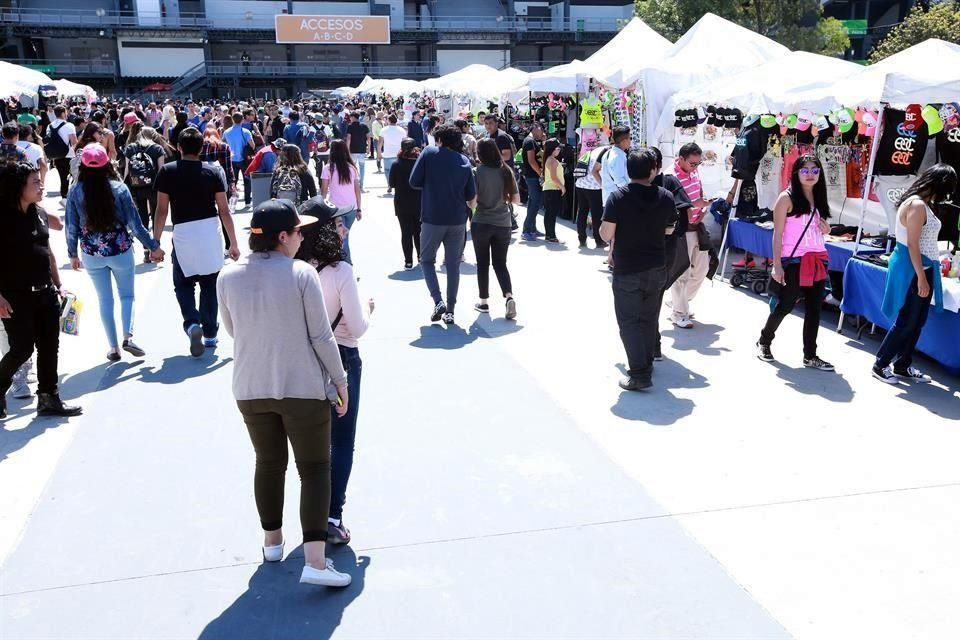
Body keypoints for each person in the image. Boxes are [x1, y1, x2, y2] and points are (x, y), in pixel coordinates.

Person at [217, 199, 351, 588]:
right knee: (314, 469)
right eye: (297, 231)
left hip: (250, 385)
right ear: (282, 237)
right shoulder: (301, 274)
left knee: (268, 462)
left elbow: (232, 329)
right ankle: (315, 560)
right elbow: (321, 336)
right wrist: (339, 381)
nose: (301, 236)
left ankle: (272, 542)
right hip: (302, 386)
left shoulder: (227, 277)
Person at [295, 197, 373, 546]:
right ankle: (332, 515)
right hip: (342, 359)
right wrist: (369, 308)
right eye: (337, 224)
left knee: (314, 446)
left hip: (303, 362)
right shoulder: (339, 272)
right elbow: (356, 327)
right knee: (342, 442)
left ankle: (310, 516)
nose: (343, 229)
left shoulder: (294, 270)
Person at [65, 144, 162, 361]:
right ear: (107, 164)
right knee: (127, 295)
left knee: (104, 300)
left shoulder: (75, 191)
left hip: (91, 254)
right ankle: (127, 335)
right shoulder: (119, 189)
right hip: (120, 250)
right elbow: (135, 225)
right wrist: (153, 247)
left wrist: (72, 253)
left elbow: (71, 226)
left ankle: (113, 347)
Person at [0, 162, 82, 419]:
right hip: (15, 296)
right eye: (34, 181)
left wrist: (59, 285)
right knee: (22, 348)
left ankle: (49, 397)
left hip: (45, 292)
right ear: (18, 187)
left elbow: (47, 254)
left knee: (50, 345)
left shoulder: (39, 213)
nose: (41, 184)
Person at [153, 127, 240, 357]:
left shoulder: (167, 172)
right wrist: (233, 242)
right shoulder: (212, 172)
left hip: (183, 233)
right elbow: (224, 210)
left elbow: (161, 210)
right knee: (210, 284)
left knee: (183, 283)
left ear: (179, 147)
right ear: (202, 149)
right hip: (210, 232)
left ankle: (192, 323)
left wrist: (155, 242)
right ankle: (210, 333)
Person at [599, 149, 678, 392]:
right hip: (656, 265)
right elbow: (669, 230)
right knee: (648, 317)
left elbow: (605, 234)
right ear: (653, 170)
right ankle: (645, 362)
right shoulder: (665, 196)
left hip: (628, 268)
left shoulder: (617, 197)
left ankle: (640, 373)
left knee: (629, 321)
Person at [873, 164, 957, 384]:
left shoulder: (921, 203)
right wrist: (920, 276)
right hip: (913, 267)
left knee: (917, 321)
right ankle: (881, 364)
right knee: (907, 321)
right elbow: (912, 243)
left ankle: (903, 364)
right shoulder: (917, 205)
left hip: (923, 267)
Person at [756, 155, 834, 371]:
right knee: (786, 305)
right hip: (796, 261)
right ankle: (764, 341)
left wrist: (826, 228)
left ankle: (810, 355)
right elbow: (777, 234)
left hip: (817, 258)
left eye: (815, 170)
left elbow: (815, 226)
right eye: (805, 170)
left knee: (814, 309)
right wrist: (777, 264)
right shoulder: (786, 198)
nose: (810, 174)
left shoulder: (818, 198)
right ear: (796, 172)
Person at [409, 124, 477, 325]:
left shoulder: (429, 153)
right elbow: (470, 195)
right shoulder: (464, 160)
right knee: (453, 264)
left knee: (427, 260)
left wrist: (432, 184)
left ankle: (438, 301)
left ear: (439, 139)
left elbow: (414, 180)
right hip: (457, 220)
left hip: (432, 217)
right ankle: (451, 310)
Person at [472, 138, 518, 319]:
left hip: (482, 221)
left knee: (482, 263)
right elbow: (516, 199)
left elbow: (472, 201)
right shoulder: (506, 170)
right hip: (503, 222)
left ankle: (483, 302)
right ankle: (509, 296)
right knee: (500, 263)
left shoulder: (477, 172)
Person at [669, 143, 713, 329]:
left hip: (697, 227)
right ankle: (679, 312)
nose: (695, 167)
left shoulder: (694, 172)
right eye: (692, 164)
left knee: (702, 270)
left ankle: (680, 303)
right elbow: (672, 204)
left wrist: (703, 207)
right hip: (681, 231)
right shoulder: (670, 177)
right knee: (682, 273)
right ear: (680, 158)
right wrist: (696, 205)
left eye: (698, 164)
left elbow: (699, 191)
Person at [123, 126, 167, 262]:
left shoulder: (130, 148)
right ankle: (156, 246)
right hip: (154, 187)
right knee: (155, 216)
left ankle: (146, 250)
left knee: (141, 219)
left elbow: (126, 170)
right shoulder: (157, 149)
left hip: (136, 187)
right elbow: (161, 171)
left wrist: (125, 186)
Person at [320, 139, 361, 261]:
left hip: (336, 209)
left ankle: (344, 263)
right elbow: (357, 191)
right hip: (352, 208)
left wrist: (322, 208)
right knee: (345, 237)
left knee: (340, 237)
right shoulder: (352, 168)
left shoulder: (328, 168)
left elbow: (323, 191)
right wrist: (359, 208)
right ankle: (346, 263)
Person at [388, 138, 422, 269]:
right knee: (418, 231)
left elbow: (392, 183)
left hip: (402, 202)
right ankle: (421, 256)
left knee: (406, 232)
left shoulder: (396, 164)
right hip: (419, 202)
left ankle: (408, 260)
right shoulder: (419, 163)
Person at [574, 145, 607, 249]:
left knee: (582, 211)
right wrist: (603, 185)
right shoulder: (607, 152)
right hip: (594, 186)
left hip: (580, 183)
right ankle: (598, 240)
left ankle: (582, 239)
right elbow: (596, 170)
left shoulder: (595, 150)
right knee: (596, 214)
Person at [520, 122, 546, 241]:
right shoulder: (529, 141)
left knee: (533, 202)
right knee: (535, 203)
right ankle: (526, 230)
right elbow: (531, 161)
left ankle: (532, 228)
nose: (543, 133)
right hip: (532, 176)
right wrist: (540, 174)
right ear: (537, 128)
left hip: (532, 175)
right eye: (542, 130)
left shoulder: (532, 141)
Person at [47, 105, 78, 203]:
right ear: (64, 113)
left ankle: (64, 197)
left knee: (63, 177)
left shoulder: (50, 125)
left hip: (57, 156)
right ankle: (74, 196)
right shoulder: (69, 125)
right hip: (69, 155)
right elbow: (74, 142)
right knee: (75, 177)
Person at [224, 113, 254, 209]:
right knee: (247, 180)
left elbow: (223, 143)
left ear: (233, 120)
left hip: (232, 159)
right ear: (242, 120)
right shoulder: (245, 131)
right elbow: (252, 145)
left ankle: (230, 200)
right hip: (244, 159)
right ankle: (247, 201)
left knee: (233, 181)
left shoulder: (226, 132)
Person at [541, 137, 565, 244]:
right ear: (553, 149)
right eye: (558, 148)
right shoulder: (551, 160)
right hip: (552, 189)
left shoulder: (550, 160)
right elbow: (554, 177)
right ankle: (551, 236)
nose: (559, 150)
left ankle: (549, 235)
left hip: (550, 189)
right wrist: (562, 187)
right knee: (551, 214)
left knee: (549, 214)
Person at [600, 125, 631, 207]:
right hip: (617, 201)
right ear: (623, 140)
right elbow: (619, 181)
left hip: (610, 199)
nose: (630, 141)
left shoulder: (609, 153)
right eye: (629, 138)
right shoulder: (617, 157)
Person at [379, 114, 405, 194]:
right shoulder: (402, 130)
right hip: (399, 153)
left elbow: (380, 142)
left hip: (387, 153)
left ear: (389, 120)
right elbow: (404, 143)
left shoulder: (384, 130)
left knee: (387, 171)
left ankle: (389, 185)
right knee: (399, 171)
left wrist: (379, 153)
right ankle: (397, 185)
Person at [345, 112, 370, 191]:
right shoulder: (364, 126)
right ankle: (361, 185)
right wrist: (368, 148)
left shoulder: (350, 127)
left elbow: (349, 138)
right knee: (362, 168)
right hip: (362, 150)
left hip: (353, 150)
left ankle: (353, 184)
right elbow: (369, 138)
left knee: (352, 168)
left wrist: (347, 149)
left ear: (352, 117)